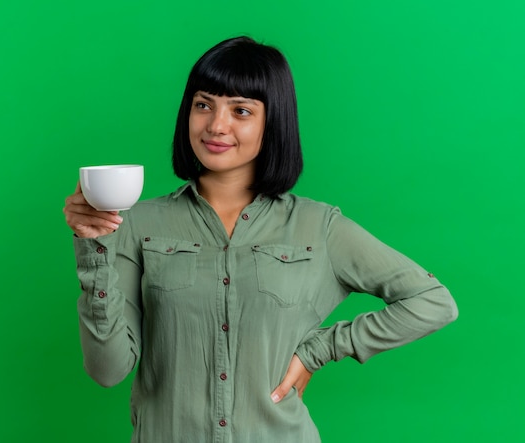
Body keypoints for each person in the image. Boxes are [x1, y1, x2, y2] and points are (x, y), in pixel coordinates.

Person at [63, 36, 458, 443]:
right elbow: (107, 371)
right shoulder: (138, 223)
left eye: (241, 110)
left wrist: (319, 350)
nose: (217, 125)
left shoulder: (317, 227)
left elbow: (433, 301)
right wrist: (94, 245)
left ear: (274, 121)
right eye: (203, 105)